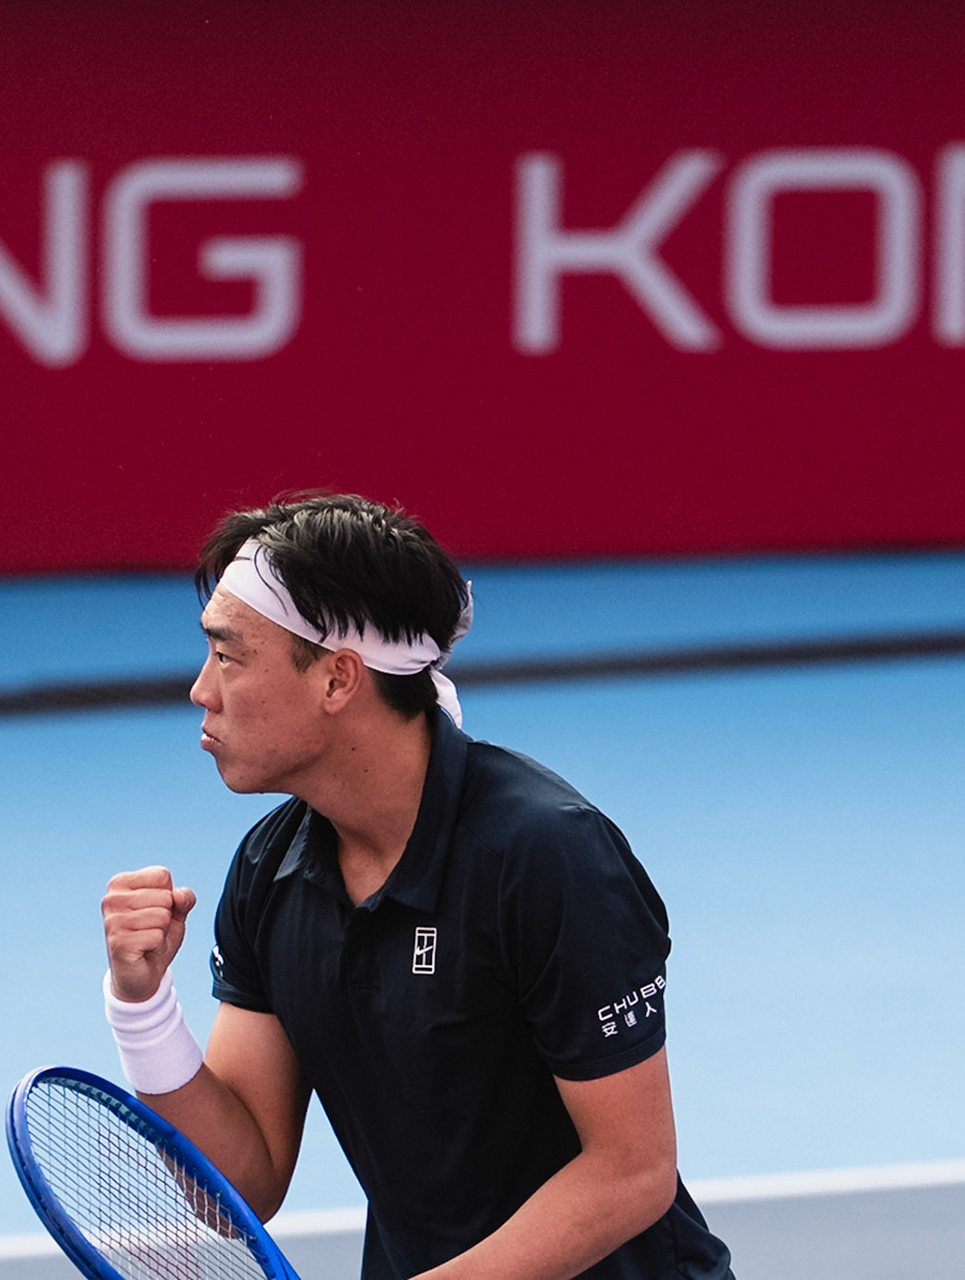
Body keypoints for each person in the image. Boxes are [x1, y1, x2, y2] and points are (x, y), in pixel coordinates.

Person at [100, 494, 732, 1280]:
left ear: (338, 680)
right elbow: (245, 1181)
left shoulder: (545, 857)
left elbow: (632, 1172)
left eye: (229, 657)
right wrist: (142, 1007)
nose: (202, 690)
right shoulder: (270, 872)